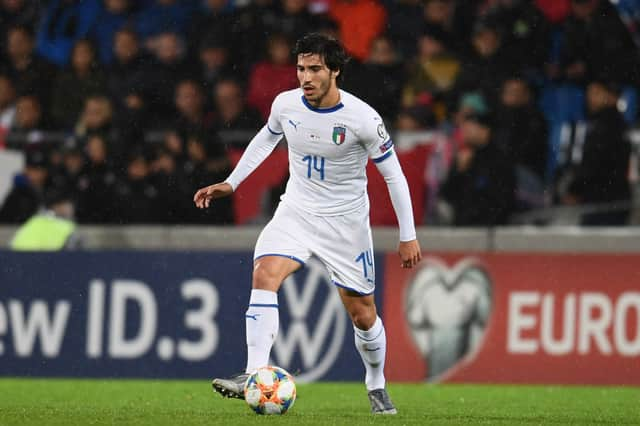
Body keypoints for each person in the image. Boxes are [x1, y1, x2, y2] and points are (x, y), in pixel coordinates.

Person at [193, 33, 422, 414]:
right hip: (295, 211)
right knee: (265, 273)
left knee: (363, 314)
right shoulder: (285, 105)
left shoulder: (363, 119)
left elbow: (394, 176)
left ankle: (376, 383)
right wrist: (231, 183)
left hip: (345, 224)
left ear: (335, 70)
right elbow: (266, 139)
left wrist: (408, 235)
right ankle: (254, 374)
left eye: (315, 69)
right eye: (301, 68)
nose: (306, 77)